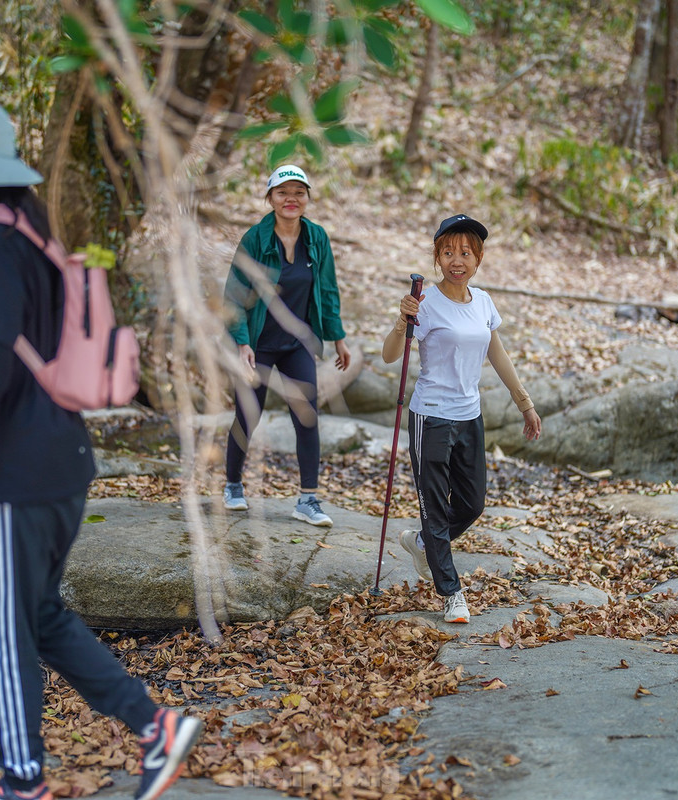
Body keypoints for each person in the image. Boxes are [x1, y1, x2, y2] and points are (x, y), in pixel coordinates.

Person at [0, 93, 201, 800]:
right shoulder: (29, 230)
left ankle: (22, 781)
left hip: (20, 470)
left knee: (3, 629)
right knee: (38, 613)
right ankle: (156, 728)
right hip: (62, 461)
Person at [381, 214, 542, 624]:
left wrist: (524, 402)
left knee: (471, 504)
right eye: (448, 251)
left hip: (469, 416)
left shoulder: (483, 302)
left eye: (466, 252)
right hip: (431, 416)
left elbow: (497, 353)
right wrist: (403, 319)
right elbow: (389, 355)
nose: (457, 259)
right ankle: (451, 593)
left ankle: (422, 543)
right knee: (436, 510)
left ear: (479, 257)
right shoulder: (426, 303)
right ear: (438, 257)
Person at [222, 164, 351, 526]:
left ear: (308, 198)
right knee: (247, 415)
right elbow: (234, 295)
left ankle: (307, 500)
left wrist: (337, 336)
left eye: (298, 193)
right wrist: (242, 343)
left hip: (296, 344)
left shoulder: (317, 238)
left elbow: (327, 290)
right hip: (259, 343)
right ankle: (233, 486)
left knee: (307, 418)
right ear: (270, 198)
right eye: (283, 192)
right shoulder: (255, 239)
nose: (291, 199)